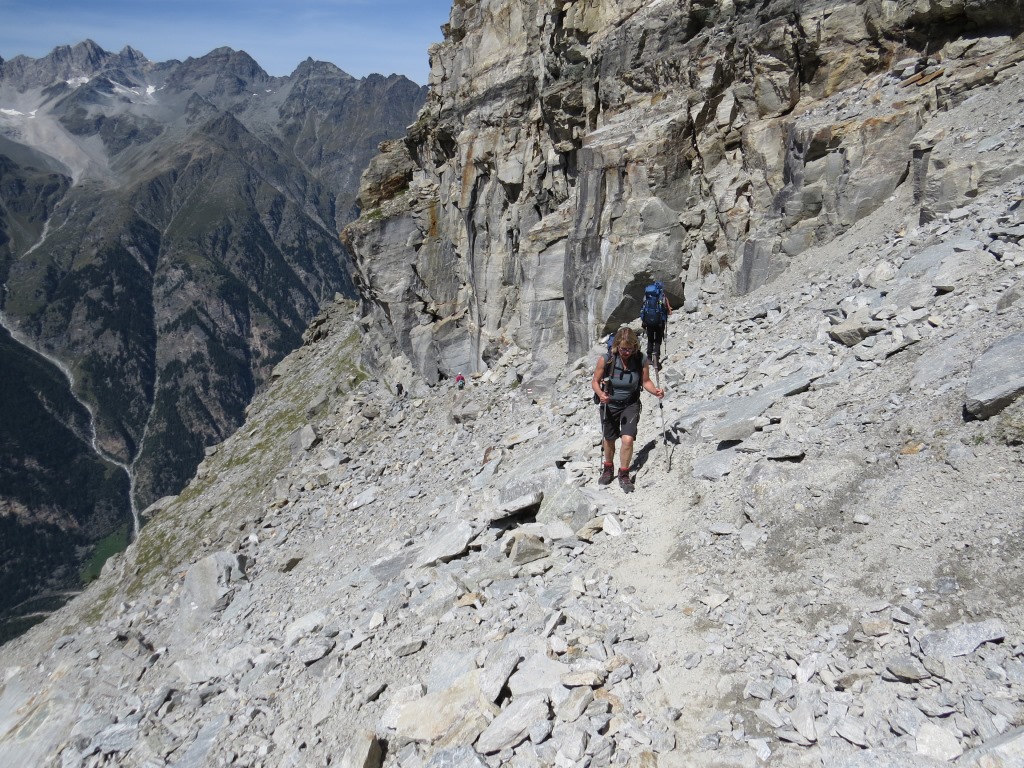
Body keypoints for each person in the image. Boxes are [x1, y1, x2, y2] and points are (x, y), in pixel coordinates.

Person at [591, 327, 664, 492]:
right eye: (623, 349)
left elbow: (645, 381)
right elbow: (595, 381)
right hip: (609, 404)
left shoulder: (640, 359)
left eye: (630, 349)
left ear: (634, 347)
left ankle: (624, 473)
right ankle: (608, 468)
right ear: (617, 345)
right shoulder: (607, 359)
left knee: (628, 439)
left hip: (630, 404)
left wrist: (656, 392)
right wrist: (601, 394)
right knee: (609, 438)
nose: (626, 352)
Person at [640, 281, 672, 370]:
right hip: (660, 322)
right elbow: (667, 308)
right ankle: (656, 357)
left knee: (650, 339)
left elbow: (643, 307)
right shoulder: (662, 296)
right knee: (658, 340)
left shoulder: (647, 296)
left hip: (649, 322)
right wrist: (669, 311)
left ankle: (649, 357)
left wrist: (644, 320)